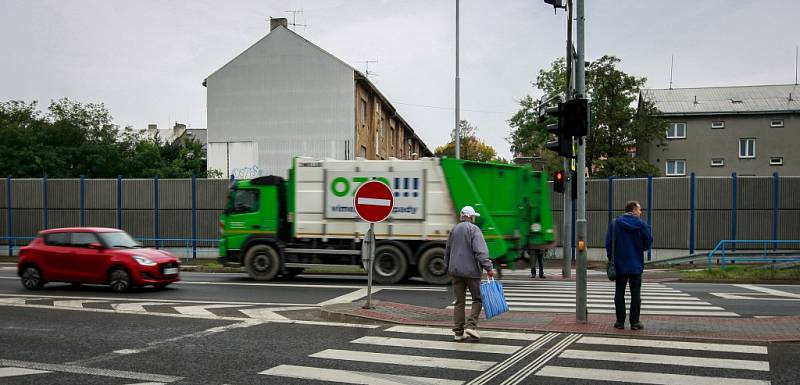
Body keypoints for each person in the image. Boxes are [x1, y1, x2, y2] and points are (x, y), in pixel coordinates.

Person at [445, 205, 494, 342]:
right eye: (474, 216)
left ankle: (458, 333)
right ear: (470, 217)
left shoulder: (454, 229)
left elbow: (447, 250)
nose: (475, 219)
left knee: (459, 302)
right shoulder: (474, 229)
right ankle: (471, 325)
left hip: (455, 272)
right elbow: (481, 251)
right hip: (471, 272)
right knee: (477, 299)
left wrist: (448, 268)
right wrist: (489, 268)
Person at [605, 200, 653, 330]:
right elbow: (648, 242)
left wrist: (611, 258)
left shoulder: (615, 224)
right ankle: (634, 322)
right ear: (633, 210)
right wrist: (640, 248)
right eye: (639, 209)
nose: (641, 212)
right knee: (635, 294)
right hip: (636, 265)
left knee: (619, 293)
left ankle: (620, 322)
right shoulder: (642, 225)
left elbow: (608, 244)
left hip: (619, 265)